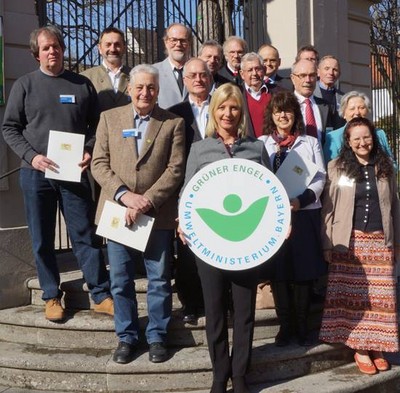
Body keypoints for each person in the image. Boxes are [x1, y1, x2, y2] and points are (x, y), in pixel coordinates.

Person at [2, 25, 113, 322]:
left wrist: (89, 149)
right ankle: (52, 295)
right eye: (46, 47)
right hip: (36, 174)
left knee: (85, 234)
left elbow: (96, 127)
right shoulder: (24, 85)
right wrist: (32, 156)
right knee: (41, 238)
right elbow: (9, 128)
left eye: (56, 46)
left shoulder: (81, 85)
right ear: (36, 53)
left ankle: (100, 293)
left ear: (63, 50)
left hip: (73, 173)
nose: (53, 51)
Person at [178, 83, 270, 393]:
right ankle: (220, 374)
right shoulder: (199, 149)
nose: (228, 113)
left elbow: (270, 195)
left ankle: (240, 374)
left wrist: (279, 224)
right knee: (215, 311)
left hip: (247, 244)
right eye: (222, 107)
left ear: (241, 112)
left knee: (244, 313)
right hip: (210, 242)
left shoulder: (256, 148)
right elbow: (187, 192)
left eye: (233, 108)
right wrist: (181, 221)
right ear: (213, 112)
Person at [91, 64, 185, 365]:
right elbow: (99, 164)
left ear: (158, 90)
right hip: (118, 212)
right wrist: (125, 196)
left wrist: (146, 200)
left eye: (151, 88)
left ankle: (157, 336)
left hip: (155, 213)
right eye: (140, 87)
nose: (145, 92)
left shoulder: (173, 123)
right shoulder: (109, 118)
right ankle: (127, 337)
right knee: (120, 279)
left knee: (158, 279)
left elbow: (175, 169)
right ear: (130, 88)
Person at [319, 117, 399, 374]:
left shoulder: (385, 167)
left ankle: (377, 345)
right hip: (349, 243)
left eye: (367, 137)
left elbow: (395, 205)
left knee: (380, 299)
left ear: (373, 139)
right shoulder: (337, 167)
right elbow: (328, 209)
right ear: (349, 142)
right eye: (357, 138)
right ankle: (361, 348)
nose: (363, 142)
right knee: (354, 300)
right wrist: (327, 243)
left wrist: (396, 242)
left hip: (379, 241)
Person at [259, 90, 326, 346]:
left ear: (295, 114)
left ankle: (301, 327)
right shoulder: (262, 143)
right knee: (279, 272)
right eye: (278, 111)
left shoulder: (309, 143)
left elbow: (320, 177)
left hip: (304, 214)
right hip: (274, 218)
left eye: (287, 110)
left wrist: (301, 201)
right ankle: (285, 326)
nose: (283, 115)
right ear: (272, 116)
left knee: (303, 272)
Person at [168, 57, 213, 323]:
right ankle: (190, 304)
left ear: (210, 78)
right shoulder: (174, 112)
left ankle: (217, 300)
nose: (198, 79)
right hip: (186, 187)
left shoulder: (222, 107)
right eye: (192, 75)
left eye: (203, 75)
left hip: (216, 186)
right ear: (184, 80)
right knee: (187, 249)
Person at [323, 91, 394, 163]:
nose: (357, 112)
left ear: (367, 111)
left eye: (361, 108)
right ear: (344, 113)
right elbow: (331, 168)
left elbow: (392, 163)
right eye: (352, 109)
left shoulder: (379, 134)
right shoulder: (333, 137)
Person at [81, 27, 131, 112]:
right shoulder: (85, 78)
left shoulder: (135, 75)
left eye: (117, 44)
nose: (113, 49)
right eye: (108, 45)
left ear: (124, 48)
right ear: (99, 48)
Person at [153, 23, 192, 108]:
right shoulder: (153, 71)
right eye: (173, 40)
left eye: (183, 40)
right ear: (166, 42)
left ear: (189, 43)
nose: (178, 44)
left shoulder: (198, 71)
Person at [291, 59, 329, 145]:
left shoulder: (325, 106)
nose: (308, 80)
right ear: (293, 78)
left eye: (312, 75)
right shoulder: (285, 106)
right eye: (303, 75)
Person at [239, 52, 272, 138]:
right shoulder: (236, 95)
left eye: (257, 69)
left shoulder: (276, 92)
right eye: (250, 70)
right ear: (242, 74)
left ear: (264, 70)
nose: (254, 73)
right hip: (247, 147)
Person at [314, 55, 346, 130]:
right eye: (327, 68)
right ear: (318, 72)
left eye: (335, 69)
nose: (331, 73)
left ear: (339, 74)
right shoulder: (310, 94)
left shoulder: (344, 98)